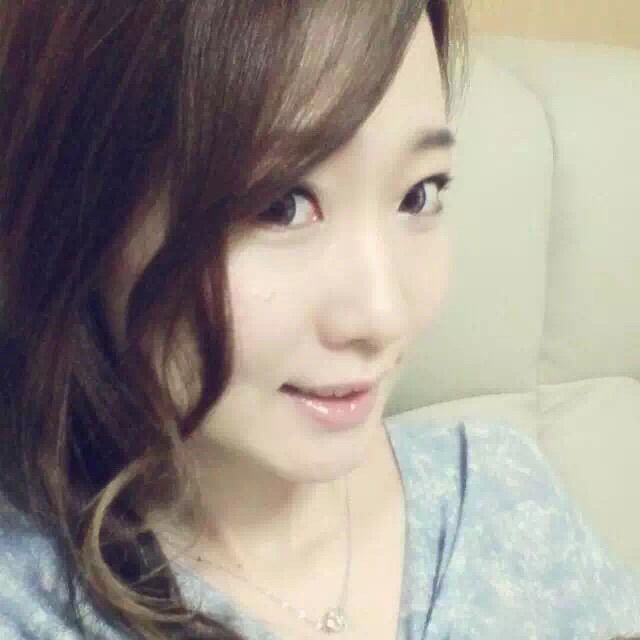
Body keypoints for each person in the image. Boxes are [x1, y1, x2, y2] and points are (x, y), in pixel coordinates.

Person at [0, 1, 638, 639]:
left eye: (418, 195)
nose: (383, 316)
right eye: (280, 206)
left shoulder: (500, 495)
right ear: (83, 217)